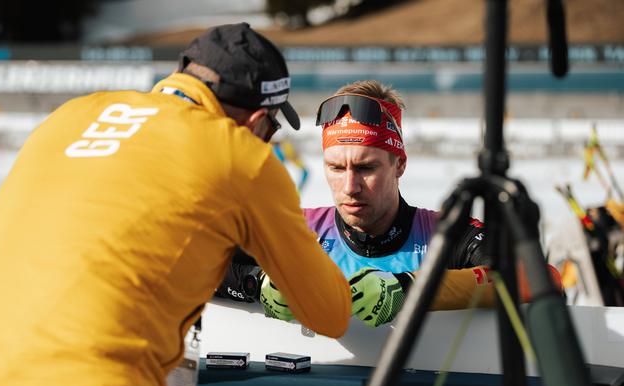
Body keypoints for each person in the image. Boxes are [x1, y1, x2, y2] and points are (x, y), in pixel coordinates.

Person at [0, 23, 351, 386]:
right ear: (255, 121)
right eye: (271, 131)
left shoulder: (70, 116)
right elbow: (328, 312)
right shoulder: (240, 154)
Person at [218, 80, 561, 326]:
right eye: (336, 167)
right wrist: (254, 281)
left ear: (400, 164)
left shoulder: (445, 234)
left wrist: (410, 289)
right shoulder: (296, 228)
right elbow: (192, 259)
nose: (349, 187)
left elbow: (541, 276)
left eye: (366, 167)